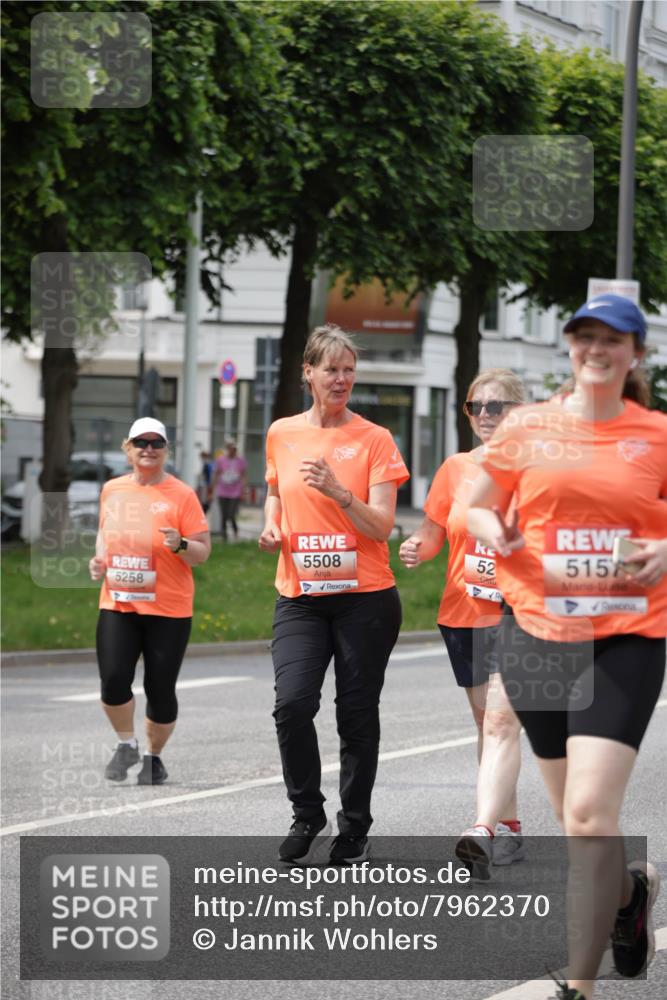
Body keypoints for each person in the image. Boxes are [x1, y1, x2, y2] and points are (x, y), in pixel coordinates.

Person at [467, 295, 667, 1000]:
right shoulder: (525, 429)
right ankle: (628, 893)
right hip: (537, 635)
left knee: (587, 812)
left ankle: (576, 987)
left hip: (625, 635)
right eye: (584, 336)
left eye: (612, 338)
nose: (596, 348)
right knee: (571, 818)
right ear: (570, 347)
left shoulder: (656, 433)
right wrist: (490, 529)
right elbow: (474, 502)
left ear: (634, 353)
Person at [259, 324, 408, 866]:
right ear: (309, 372)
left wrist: (340, 492)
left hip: (364, 597)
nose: (341, 378)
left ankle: (354, 828)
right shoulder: (281, 433)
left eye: (349, 369)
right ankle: (307, 812)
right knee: (292, 705)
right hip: (299, 592)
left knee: (355, 712)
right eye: (331, 369)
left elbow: (382, 526)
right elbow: (275, 494)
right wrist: (271, 525)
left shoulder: (374, 439)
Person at [399, 369, 526, 879]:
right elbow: (435, 532)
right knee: (487, 724)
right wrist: (416, 548)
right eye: (478, 408)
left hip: (521, 614)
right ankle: (509, 826)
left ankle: (482, 830)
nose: (488, 417)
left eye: (498, 407)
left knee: (500, 721)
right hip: (464, 612)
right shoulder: (454, 469)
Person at [89, 417, 211, 785]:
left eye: (156, 443)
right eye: (140, 442)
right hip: (119, 603)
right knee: (112, 682)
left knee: (160, 688)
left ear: (165, 450)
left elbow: (203, 551)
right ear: (128, 448)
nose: (148, 449)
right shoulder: (112, 490)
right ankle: (126, 743)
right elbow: (103, 534)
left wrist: (181, 545)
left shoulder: (181, 495)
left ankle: (153, 757)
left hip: (168, 609)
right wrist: (100, 560)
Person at [211, 438, 247, 541]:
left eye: (234, 448)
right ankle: (224, 536)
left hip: (235, 492)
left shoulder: (241, 461)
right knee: (224, 514)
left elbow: (244, 475)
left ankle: (235, 532)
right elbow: (216, 474)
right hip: (222, 491)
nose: (233, 450)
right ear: (227, 449)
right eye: (231, 448)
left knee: (231, 514)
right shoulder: (221, 460)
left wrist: (244, 490)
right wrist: (212, 489)